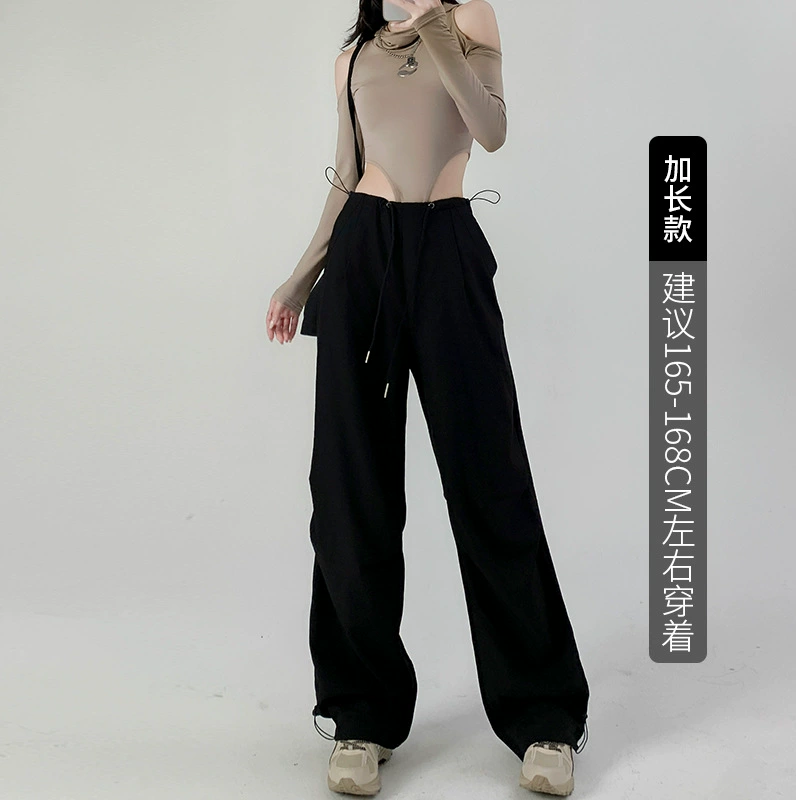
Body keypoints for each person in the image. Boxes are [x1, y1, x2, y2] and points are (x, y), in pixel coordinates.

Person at [265, 1, 590, 795]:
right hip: (361, 257)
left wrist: (436, 25)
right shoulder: (354, 56)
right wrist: (301, 279)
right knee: (350, 492)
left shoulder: (470, 20)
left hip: (447, 250)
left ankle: (543, 718)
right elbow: (347, 174)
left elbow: (491, 130)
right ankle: (361, 716)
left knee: (491, 482)